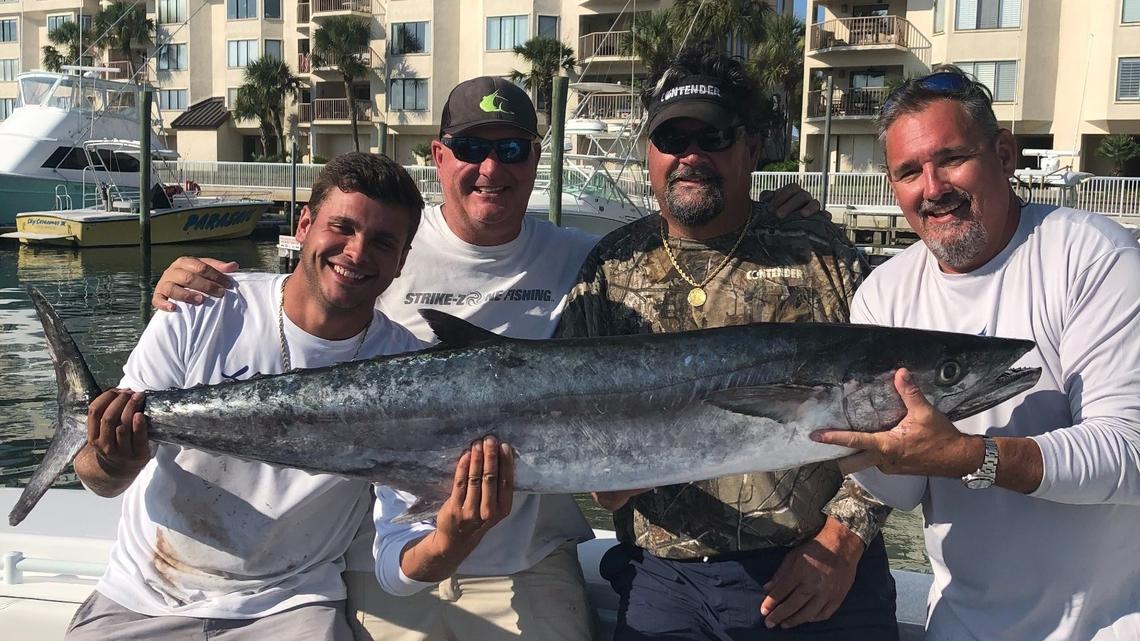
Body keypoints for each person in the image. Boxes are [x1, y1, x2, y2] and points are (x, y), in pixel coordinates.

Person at [150, 77, 823, 641]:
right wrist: (192, 284)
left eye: (511, 150)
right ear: (440, 155)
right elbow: (301, 305)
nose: (492, 169)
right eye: (473, 148)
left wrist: (767, 215)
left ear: (535, 158)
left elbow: (683, 247)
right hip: (390, 552)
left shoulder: (588, 259)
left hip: (528, 560)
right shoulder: (386, 248)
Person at [554, 45, 898, 641]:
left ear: (751, 148)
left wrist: (843, 541)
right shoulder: (611, 264)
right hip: (664, 583)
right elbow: (560, 410)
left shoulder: (821, 254)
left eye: (711, 137)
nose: (690, 156)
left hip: (815, 572)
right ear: (648, 153)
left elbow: (900, 407)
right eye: (671, 138)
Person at [812, 66, 1140, 640]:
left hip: (1108, 626)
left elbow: (1129, 452)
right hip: (961, 624)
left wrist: (970, 456)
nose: (932, 188)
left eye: (952, 158)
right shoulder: (883, 293)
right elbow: (902, 487)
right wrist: (847, 446)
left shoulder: (1091, 255)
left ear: (1005, 153)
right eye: (909, 171)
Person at [65, 153, 426, 640]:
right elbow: (98, 478)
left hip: (293, 604)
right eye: (341, 227)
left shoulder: (408, 366)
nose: (357, 253)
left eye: (383, 241)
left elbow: (402, 523)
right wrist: (113, 459)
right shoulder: (198, 305)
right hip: (145, 594)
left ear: (403, 258)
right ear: (304, 224)